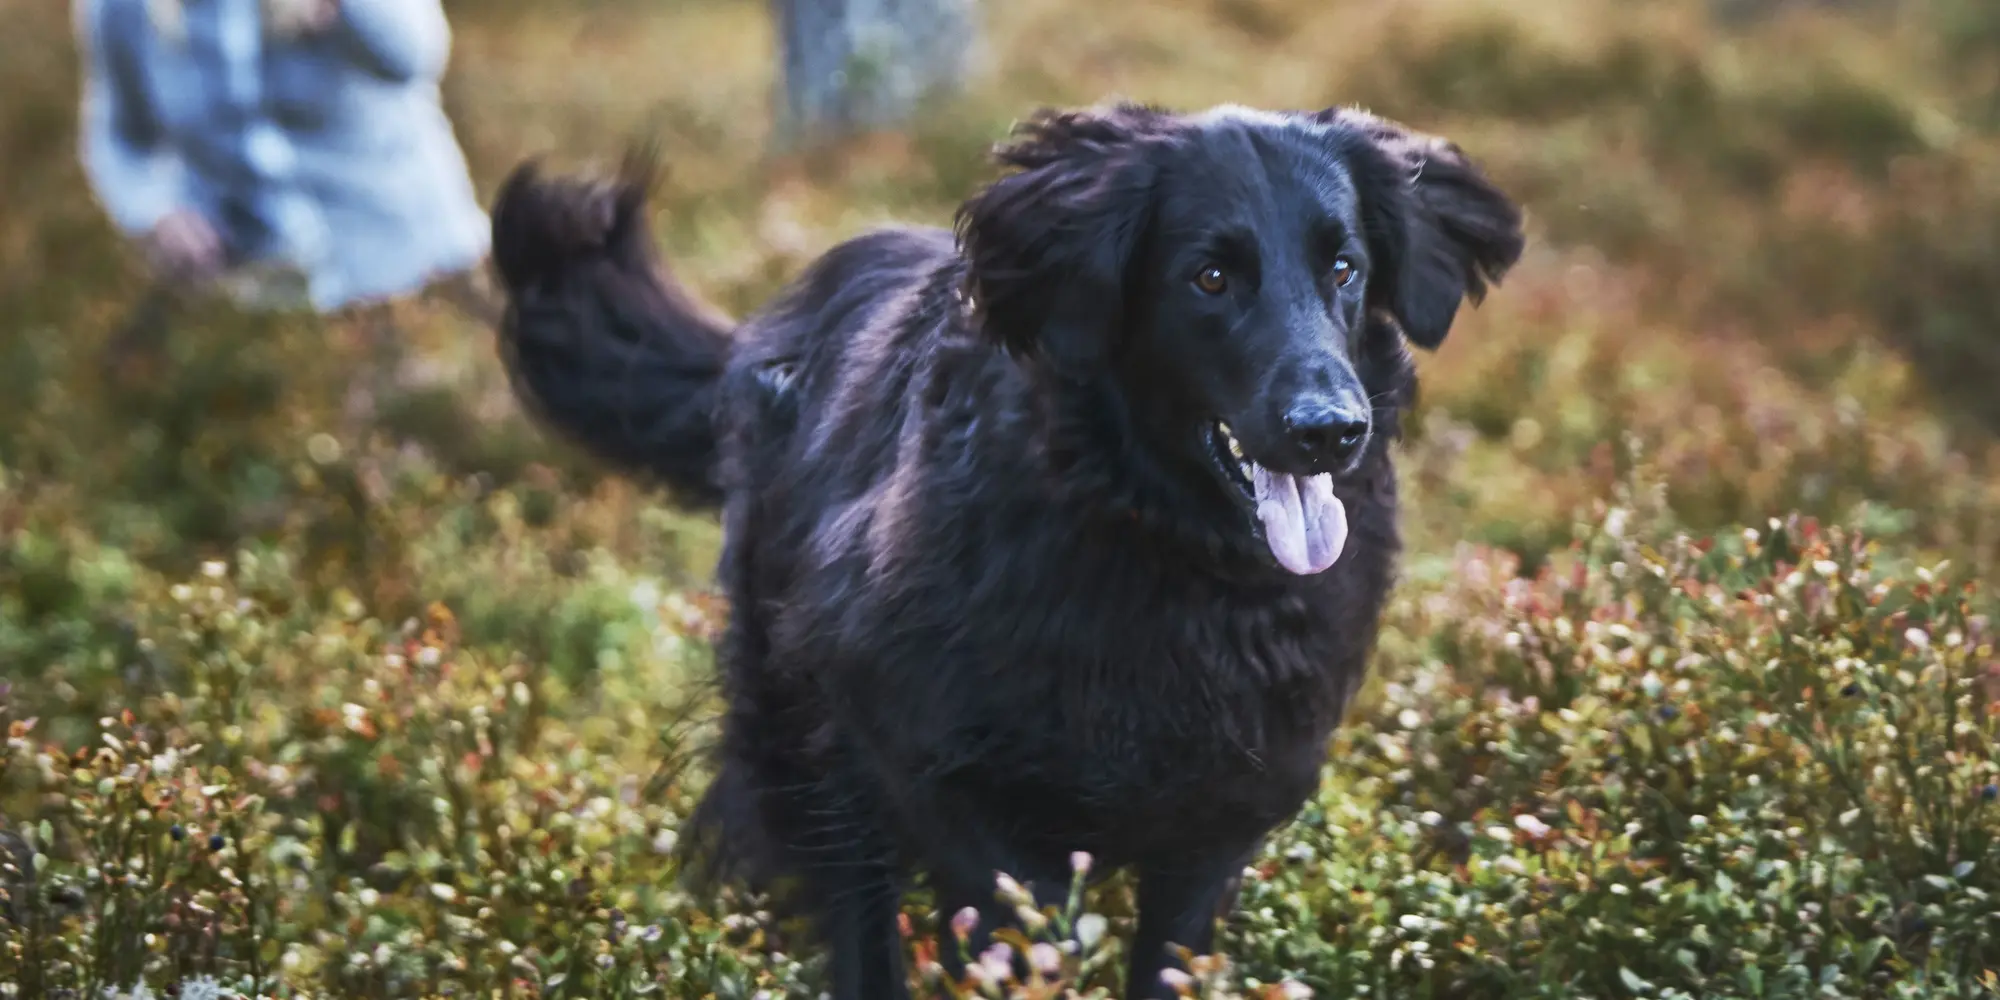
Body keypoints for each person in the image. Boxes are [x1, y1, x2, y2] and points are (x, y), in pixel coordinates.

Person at [74, 0, 496, 416]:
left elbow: (414, 55)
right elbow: (120, 137)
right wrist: (156, 211)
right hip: (259, 306)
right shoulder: (120, 7)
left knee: (427, 445)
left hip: (417, 283)